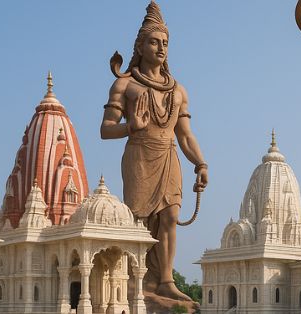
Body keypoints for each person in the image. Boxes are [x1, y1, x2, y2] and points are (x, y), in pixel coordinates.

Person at [100, 1, 208, 301]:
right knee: (139, 221)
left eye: (165, 43)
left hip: (168, 155)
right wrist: (130, 127)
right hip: (138, 156)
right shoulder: (125, 84)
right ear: (140, 45)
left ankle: (165, 280)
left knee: (170, 217)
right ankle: (136, 280)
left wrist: (200, 163)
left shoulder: (178, 90)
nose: (161, 48)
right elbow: (105, 129)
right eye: (154, 42)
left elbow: (185, 136)